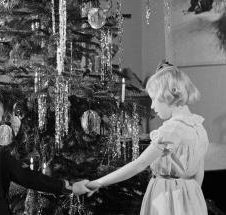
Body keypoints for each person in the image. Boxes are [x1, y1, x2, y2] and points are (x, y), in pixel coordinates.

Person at [85, 62, 209, 215]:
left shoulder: (171, 130)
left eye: (154, 99)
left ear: (167, 96)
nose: (152, 106)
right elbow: (199, 174)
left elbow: (139, 164)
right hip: (192, 198)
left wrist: (99, 182)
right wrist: (188, 200)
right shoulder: (199, 127)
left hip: (167, 197)